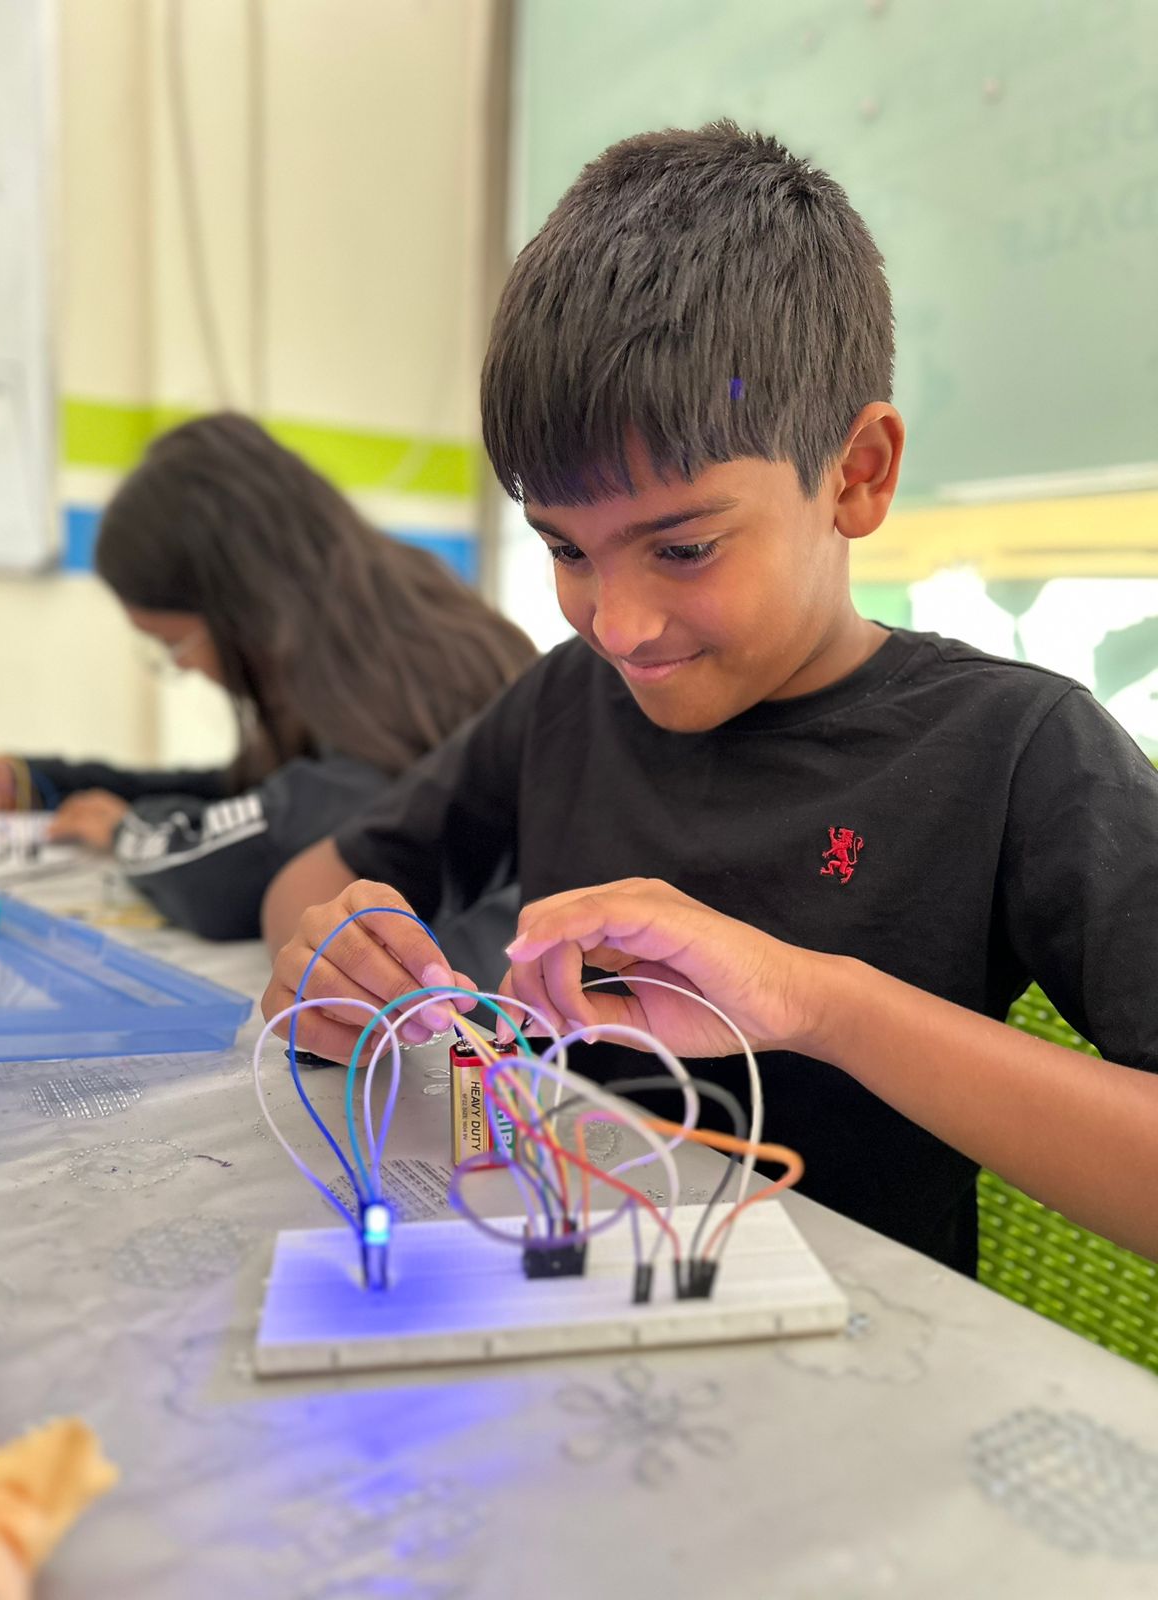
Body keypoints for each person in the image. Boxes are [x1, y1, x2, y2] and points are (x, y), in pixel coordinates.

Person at [259, 124, 1158, 1268]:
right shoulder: (569, 701)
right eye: (566, 549)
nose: (617, 625)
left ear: (858, 474)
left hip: (857, 1351)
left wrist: (822, 1005)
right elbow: (310, 885)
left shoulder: (1014, 748)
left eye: (682, 549)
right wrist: (344, 954)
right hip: (560, 1292)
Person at [0, 414, 536, 950]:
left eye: (174, 644)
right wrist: (33, 779)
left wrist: (129, 833)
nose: (185, 668)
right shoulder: (378, 610)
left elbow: (241, 867)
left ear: (240, 605)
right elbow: (243, 794)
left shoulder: (392, 676)